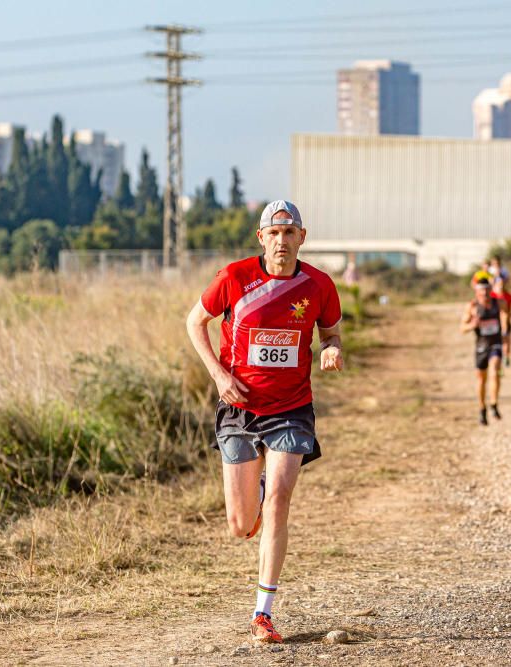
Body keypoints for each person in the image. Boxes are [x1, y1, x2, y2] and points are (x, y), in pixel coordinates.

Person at [185, 199, 344, 644]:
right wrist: (218, 375)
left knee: (279, 498)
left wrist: (332, 348)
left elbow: (331, 331)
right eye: (273, 234)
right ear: (261, 238)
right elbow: (194, 322)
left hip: (291, 409)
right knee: (241, 525)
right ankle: (253, 493)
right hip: (239, 408)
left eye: (289, 232)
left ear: (301, 237)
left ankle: (263, 613)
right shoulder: (234, 277)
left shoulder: (318, 285)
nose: (281, 240)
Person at [460, 278, 509, 425]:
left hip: (496, 343)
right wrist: (472, 325)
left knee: (495, 370)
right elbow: (462, 328)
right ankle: (482, 408)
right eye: (481, 290)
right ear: (476, 291)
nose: (485, 293)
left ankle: (494, 403)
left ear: (491, 290)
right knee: (481, 378)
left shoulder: (498, 303)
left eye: (487, 289)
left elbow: (505, 318)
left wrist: (505, 335)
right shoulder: (472, 306)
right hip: (481, 345)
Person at [491, 275, 511, 367]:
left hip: (506, 322)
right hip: (495, 323)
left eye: (502, 283)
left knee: (506, 342)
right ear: (495, 284)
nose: (501, 285)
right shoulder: (491, 296)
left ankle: (506, 357)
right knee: (497, 344)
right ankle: (497, 360)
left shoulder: (509, 296)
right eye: (499, 283)